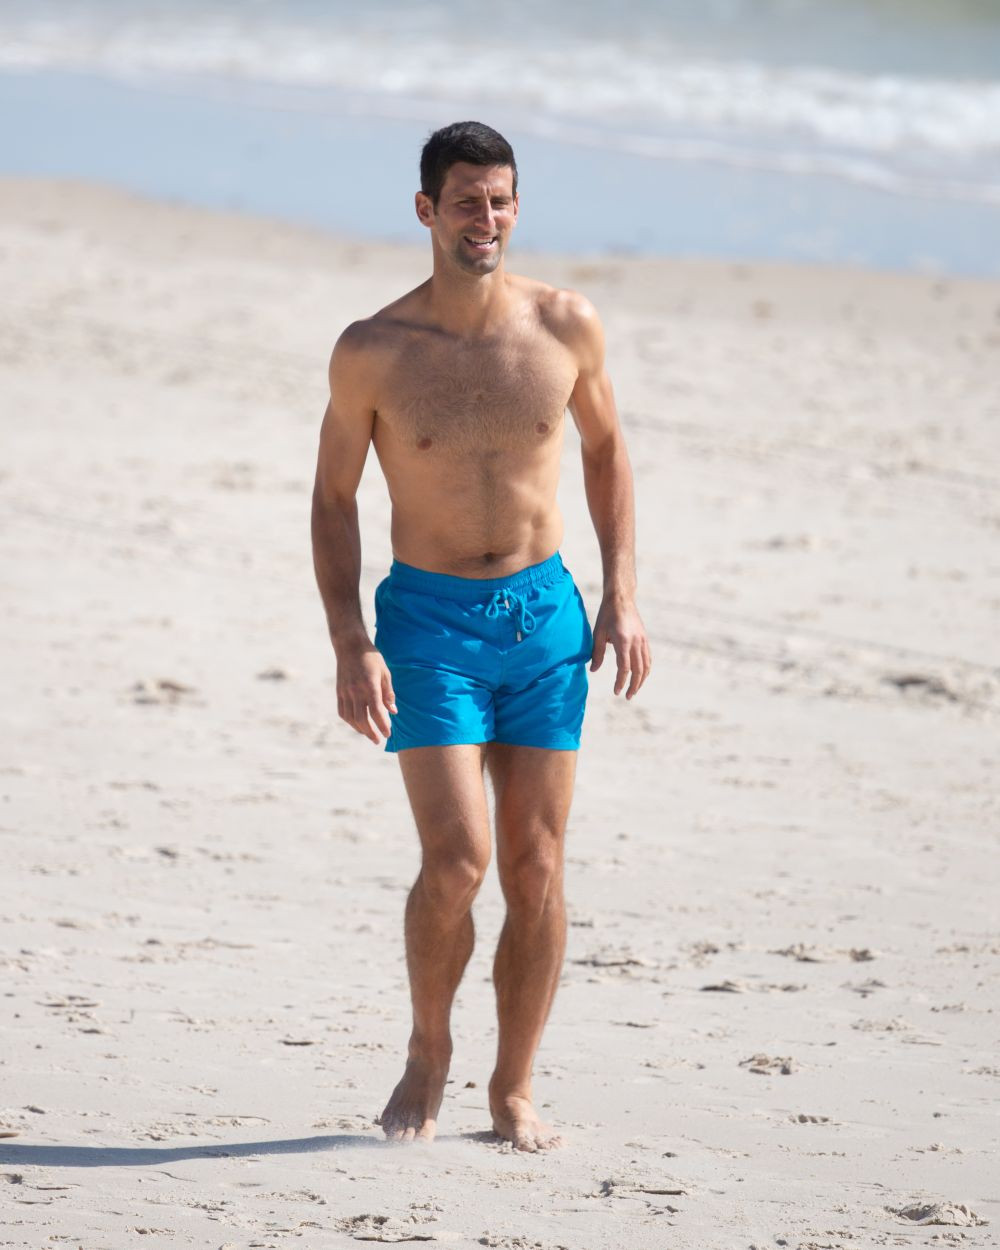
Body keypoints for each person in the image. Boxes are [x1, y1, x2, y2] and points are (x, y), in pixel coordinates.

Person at [311, 121, 651, 1152]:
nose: (485, 218)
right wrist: (350, 641)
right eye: (466, 200)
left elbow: (606, 451)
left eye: (499, 200)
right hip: (427, 622)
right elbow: (333, 498)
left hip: (544, 616)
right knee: (459, 860)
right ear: (426, 210)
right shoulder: (375, 349)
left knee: (536, 868)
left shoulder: (564, 325)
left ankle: (513, 1089)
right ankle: (429, 1048)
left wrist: (621, 592)